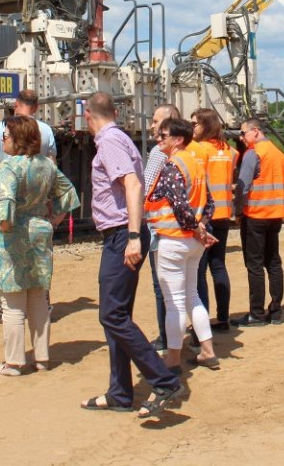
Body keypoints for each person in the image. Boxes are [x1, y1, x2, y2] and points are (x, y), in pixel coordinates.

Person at [79, 93, 185, 418]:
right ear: (114, 112)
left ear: (87, 116)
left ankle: (163, 380)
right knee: (117, 314)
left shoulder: (109, 141)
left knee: (112, 315)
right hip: (123, 234)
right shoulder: (120, 138)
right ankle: (120, 393)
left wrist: (135, 237)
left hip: (123, 234)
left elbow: (133, 186)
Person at [0, 116, 65, 376]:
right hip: (39, 236)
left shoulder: (9, 167)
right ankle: (42, 358)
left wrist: (3, 224)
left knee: (12, 303)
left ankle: (14, 362)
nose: (3, 140)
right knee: (38, 297)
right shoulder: (46, 164)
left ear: (17, 139)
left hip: (13, 240)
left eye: (6, 136)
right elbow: (68, 194)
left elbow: (5, 205)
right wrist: (51, 220)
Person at [146, 117, 220, 371]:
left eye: (162, 135)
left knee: (174, 302)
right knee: (192, 296)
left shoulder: (172, 166)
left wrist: (194, 227)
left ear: (177, 140)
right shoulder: (195, 164)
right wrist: (200, 228)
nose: (158, 139)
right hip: (192, 242)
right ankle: (207, 351)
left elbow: (179, 205)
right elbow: (209, 203)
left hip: (173, 240)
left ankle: (173, 359)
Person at [0, 88, 57, 324]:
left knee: (5, 252)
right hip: (37, 200)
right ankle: (43, 305)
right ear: (37, 106)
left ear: (16, 104)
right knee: (38, 254)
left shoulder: (4, 127)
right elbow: (53, 165)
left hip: (8, 198)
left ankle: (5, 309)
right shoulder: (46, 130)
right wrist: (50, 200)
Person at [234, 118, 284, 326]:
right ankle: (275, 310)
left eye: (243, 133)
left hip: (256, 215)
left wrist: (237, 212)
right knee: (273, 262)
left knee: (255, 265)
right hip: (275, 215)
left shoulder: (253, 153)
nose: (241, 137)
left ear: (255, 131)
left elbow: (243, 187)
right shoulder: (278, 153)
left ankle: (256, 314)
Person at [190, 108, 238, 332]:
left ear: (206, 125)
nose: (192, 128)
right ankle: (223, 317)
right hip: (224, 215)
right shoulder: (229, 150)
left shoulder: (199, 150)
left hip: (205, 216)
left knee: (199, 271)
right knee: (218, 265)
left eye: (196, 124)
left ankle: (202, 322)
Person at [144, 104, 181, 352]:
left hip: (160, 228)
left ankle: (165, 340)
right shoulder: (188, 152)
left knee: (162, 286)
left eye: (156, 121)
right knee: (189, 287)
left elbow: (146, 189)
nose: (151, 125)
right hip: (183, 230)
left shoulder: (159, 153)